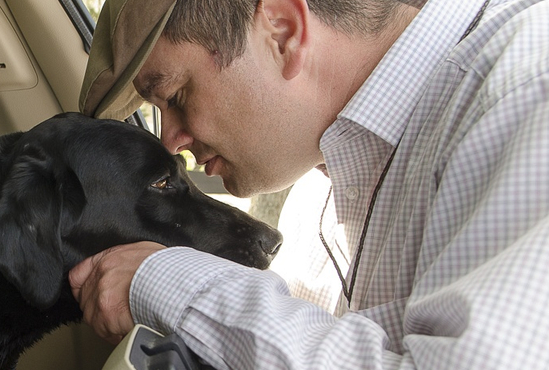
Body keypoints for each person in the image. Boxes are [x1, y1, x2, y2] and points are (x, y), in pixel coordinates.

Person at [70, 0, 549, 368]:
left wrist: (162, 280)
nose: (171, 142)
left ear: (283, 30)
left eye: (176, 95)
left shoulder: (526, 91)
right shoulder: (321, 193)